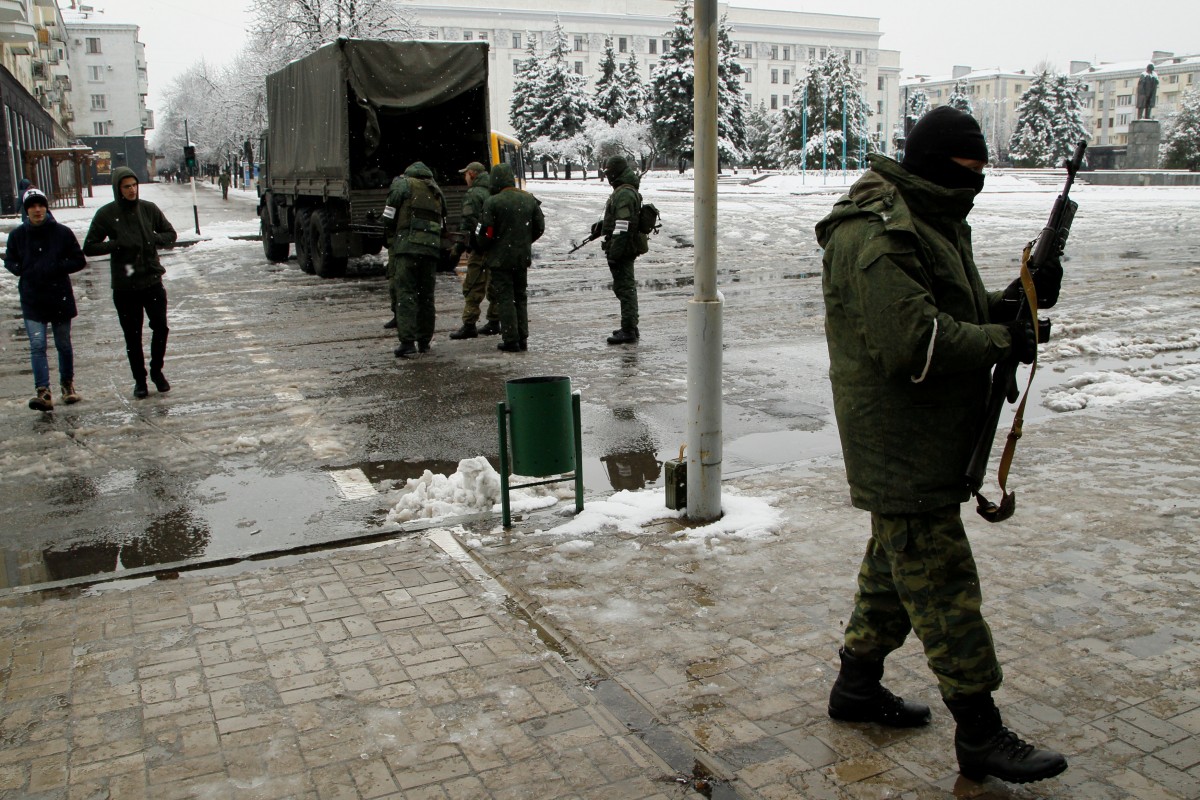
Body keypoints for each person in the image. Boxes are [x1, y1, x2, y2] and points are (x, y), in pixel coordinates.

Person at [814, 106, 1067, 785]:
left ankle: (857, 686)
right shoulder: (877, 232)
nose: (975, 183)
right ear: (933, 165)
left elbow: (944, 302)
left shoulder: (930, 216)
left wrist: (1008, 303)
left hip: (921, 438)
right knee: (942, 584)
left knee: (892, 569)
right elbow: (914, 341)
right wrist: (999, 339)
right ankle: (980, 732)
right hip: (899, 440)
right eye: (966, 170)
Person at [83, 166, 178, 399]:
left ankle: (157, 371)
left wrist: (152, 238)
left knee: (161, 328)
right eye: (126, 186)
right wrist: (116, 244)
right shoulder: (107, 214)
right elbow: (90, 246)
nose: (132, 190)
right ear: (118, 189)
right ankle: (140, 380)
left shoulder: (148, 209)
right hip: (125, 286)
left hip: (152, 280)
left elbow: (170, 235)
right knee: (132, 336)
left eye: (134, 185)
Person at [4, 189, 87, 411]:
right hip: (33, 299)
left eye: (41, 205)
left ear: (46, 208)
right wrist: (18, 268)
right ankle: (43, 391)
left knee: (63, 344)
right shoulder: (18, 235)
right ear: (26, 210)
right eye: (32, 206)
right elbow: (9, 260)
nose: (37, 210)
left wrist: (57, 267)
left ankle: (67, 385)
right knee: (37, 345)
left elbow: (79, 260)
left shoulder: (62, 233)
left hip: (59, 296)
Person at [477, 162, 544, 352]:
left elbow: (486, 233)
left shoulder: (493, 202)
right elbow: (540, 227)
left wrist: (485, 246)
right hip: (521, 257)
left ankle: (510, 339)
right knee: (520, 297)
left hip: (500, 259)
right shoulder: (528, 199)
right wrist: (523, 241)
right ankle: (523, 337)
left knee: (505, 298)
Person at [382, 161, 447, 358]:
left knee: (406, 294)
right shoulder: (437, 191)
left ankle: (407, 342)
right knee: (426, 297)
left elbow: (388, 215)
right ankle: (424, 341)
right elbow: (443, 223)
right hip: (430, 251)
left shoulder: (403, 184)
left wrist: (391, 229)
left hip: (408, 248)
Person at [597, 155, 647, 345]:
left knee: (625, 288)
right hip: (624, 245)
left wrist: (615, 253)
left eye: (609, 172)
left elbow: (623, 225)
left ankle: (628, 330)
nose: (608, 177)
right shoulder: (624, 190)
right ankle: (630, 326)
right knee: (625, 287)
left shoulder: (624, 193)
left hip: (624, 247)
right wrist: (602, 226)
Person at [447, 161, 501, 340]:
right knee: (494, 285)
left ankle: (469, 324)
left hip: (480, 247)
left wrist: (458, 249)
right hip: (497, 246)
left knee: (473, 286)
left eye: (465, 174)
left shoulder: (473, 194)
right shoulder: (495, 189)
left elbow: (468, 224)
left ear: (472, 174)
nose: (465, 178)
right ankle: (494, 321)